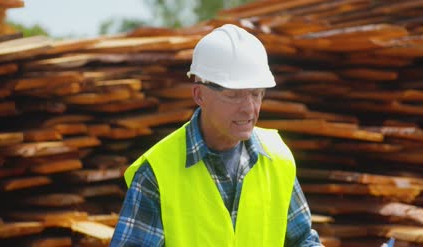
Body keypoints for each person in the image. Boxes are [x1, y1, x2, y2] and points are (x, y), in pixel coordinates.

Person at [110, 24, 322, 246]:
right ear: (199, 94)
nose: (249, 109)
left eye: (257, 94)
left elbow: (303, 240)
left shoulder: (278, 159)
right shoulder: (157, 172)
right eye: (233, 95)